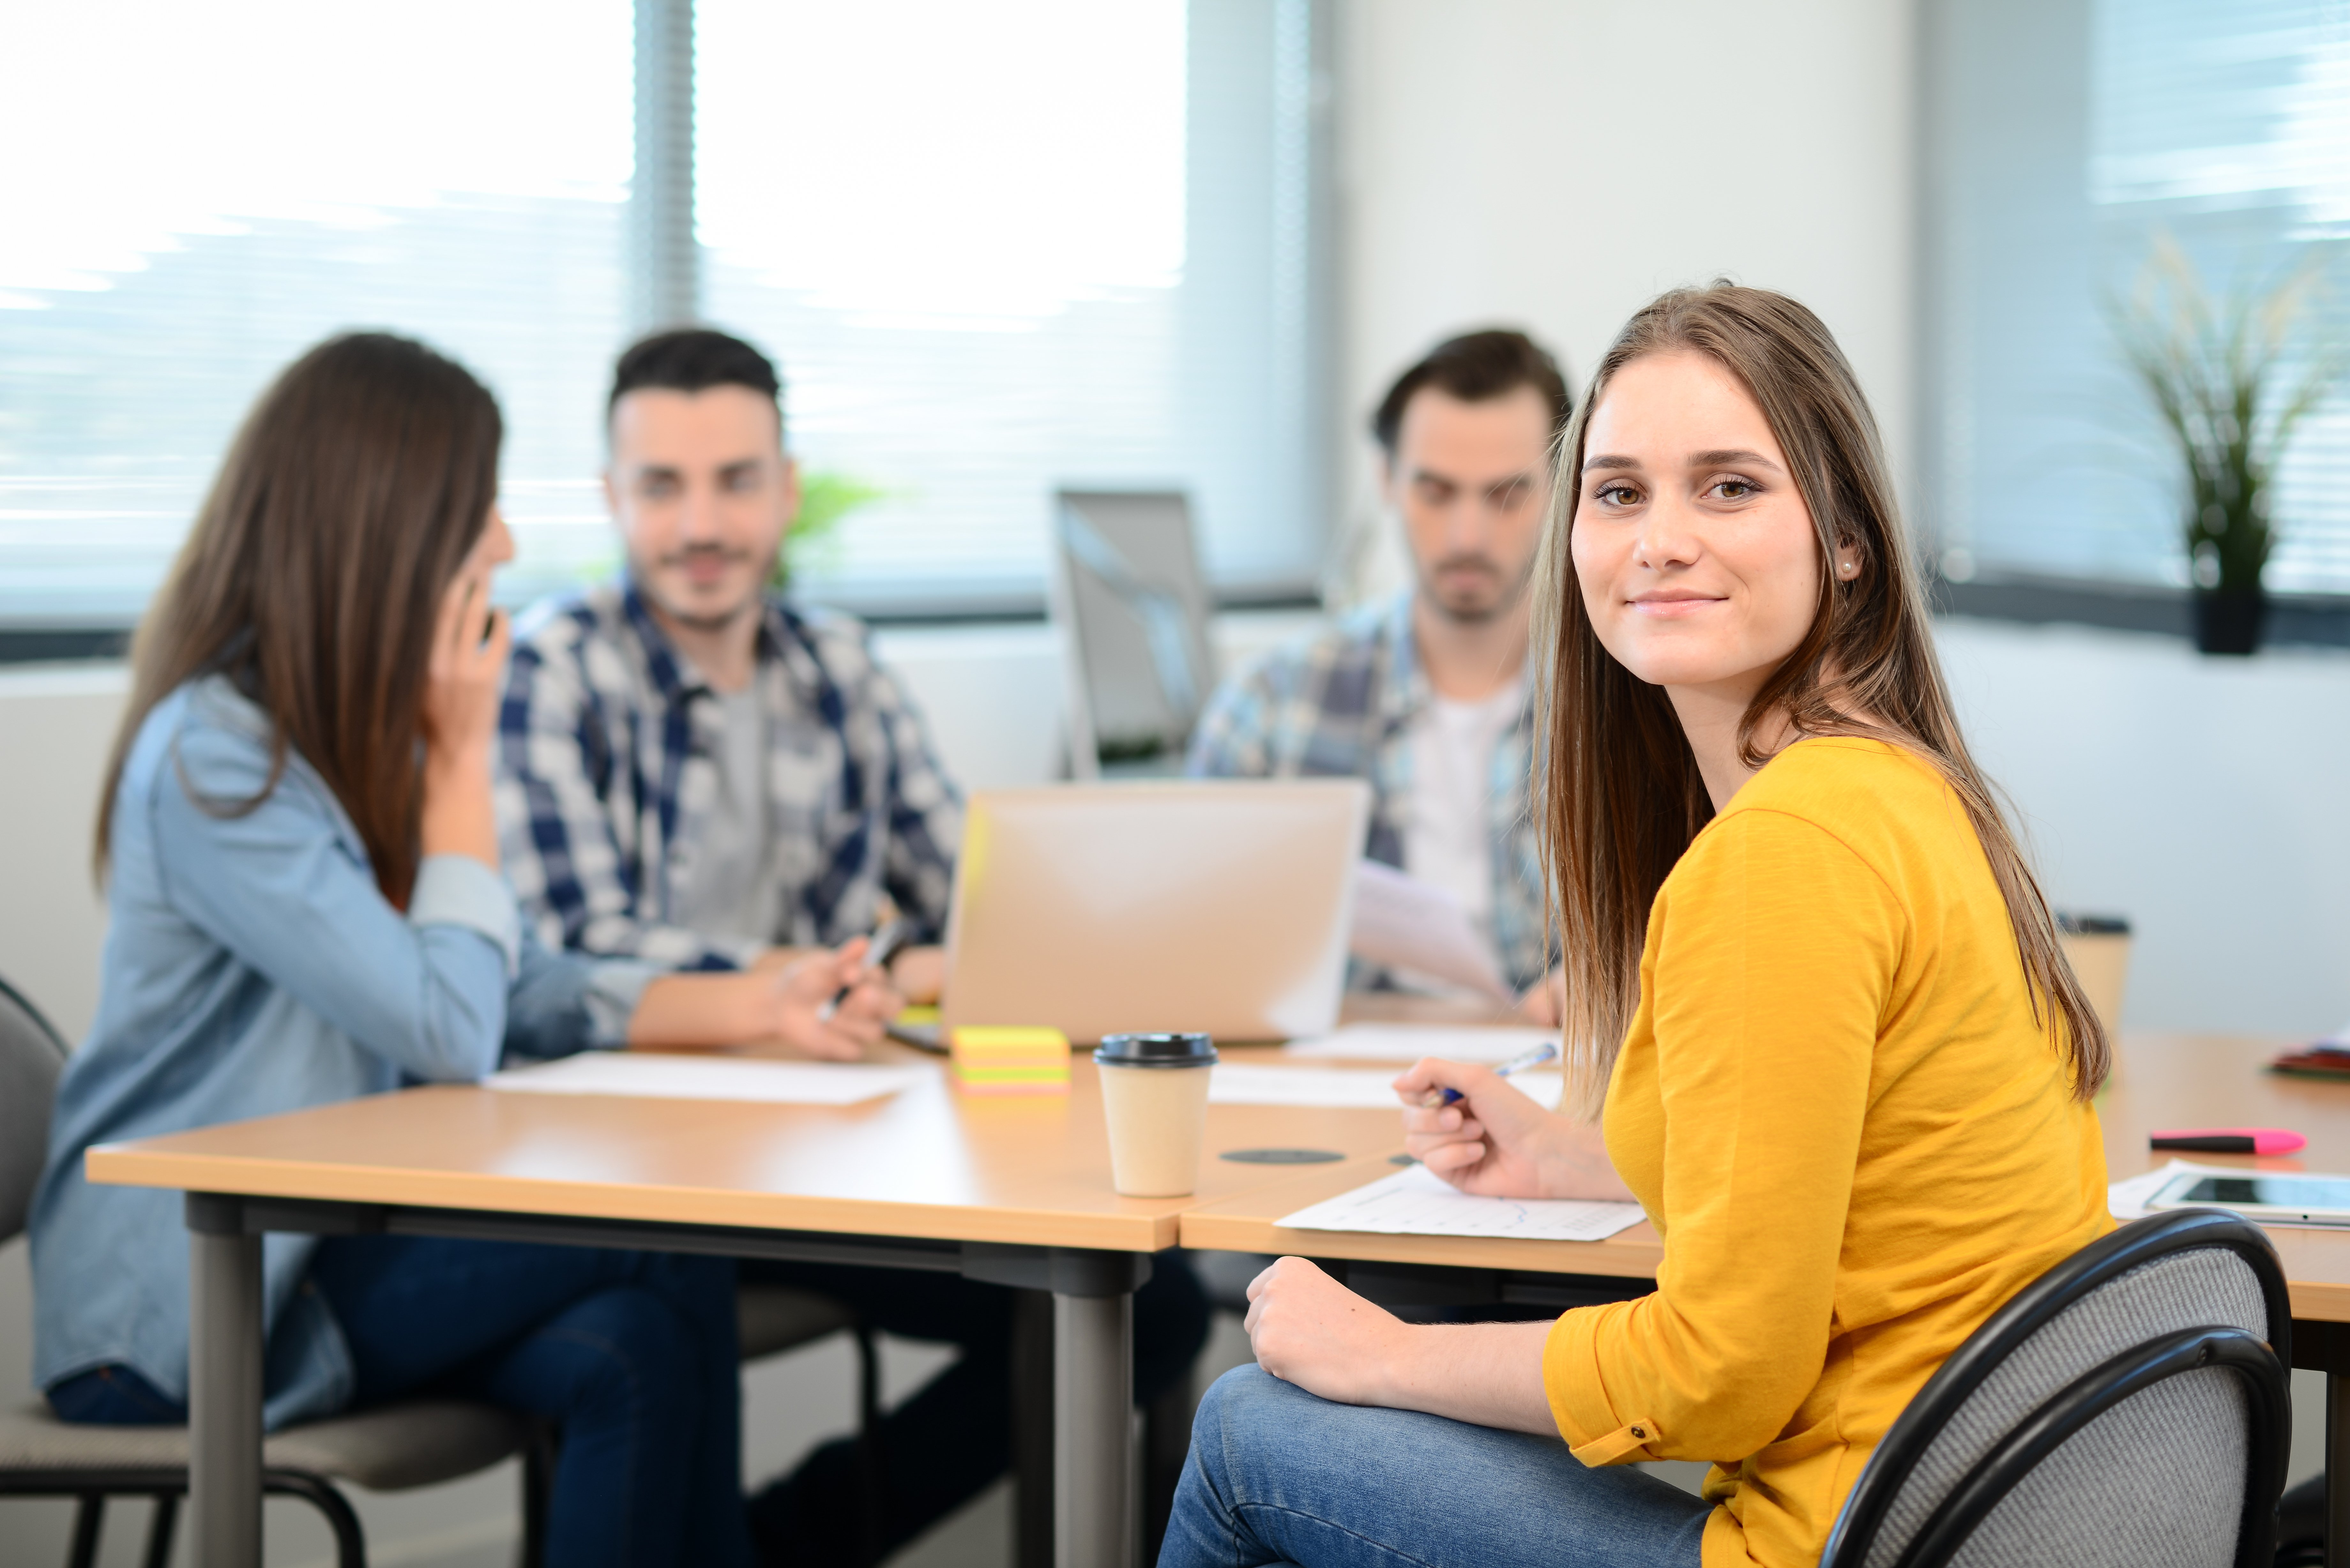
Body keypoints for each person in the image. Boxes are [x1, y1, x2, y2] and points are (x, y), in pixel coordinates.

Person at [1159, 285, 2115, 1568]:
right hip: (1967, 1520)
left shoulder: (1781, 853)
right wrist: (1575, 1164)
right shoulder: (1894, 788)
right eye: (1617, 494)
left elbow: (1722, 1371)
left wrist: (1385, 1354)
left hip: (1838, 1543)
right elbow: (1827, 1160)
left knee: (1245, 1428)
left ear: (1845, 541)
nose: (1660, 539)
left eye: (1726, 487)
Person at [29, 333, 900, 1568]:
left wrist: (762, 1004)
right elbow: (448, 1024)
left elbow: (518, 983)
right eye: (474, 509)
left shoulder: (351, 726)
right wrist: (462, 763)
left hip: (333, 1255)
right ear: (383, 526)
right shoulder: (214, 760)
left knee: (638, 1344)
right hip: (187, 1315)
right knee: (665, 1223)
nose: (500, 547)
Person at [496, 326, 1209, 1563]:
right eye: (661, 486)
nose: (701, 523)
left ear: (784, 487)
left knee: (1148, 1306)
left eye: (734, 480)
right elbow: (572, 953)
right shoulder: (553, 669)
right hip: (640, 1164)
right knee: (667, 1294)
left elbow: (970, 908)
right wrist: (799, 980)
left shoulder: (841, 665)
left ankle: (794, 1542)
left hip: (835, 1147)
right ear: (613, 499)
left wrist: (915, 964)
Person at [1186, 328, 1572, 1015]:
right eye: (1435, 491)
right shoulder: (1272, 703)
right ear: (1386, 480)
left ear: (1564, 485)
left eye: (1505, 494)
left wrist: (1615, 986)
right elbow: (1187, 938)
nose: (1467, 537)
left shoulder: (1635, 704)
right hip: (1338, 1080)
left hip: (1554, 1083)